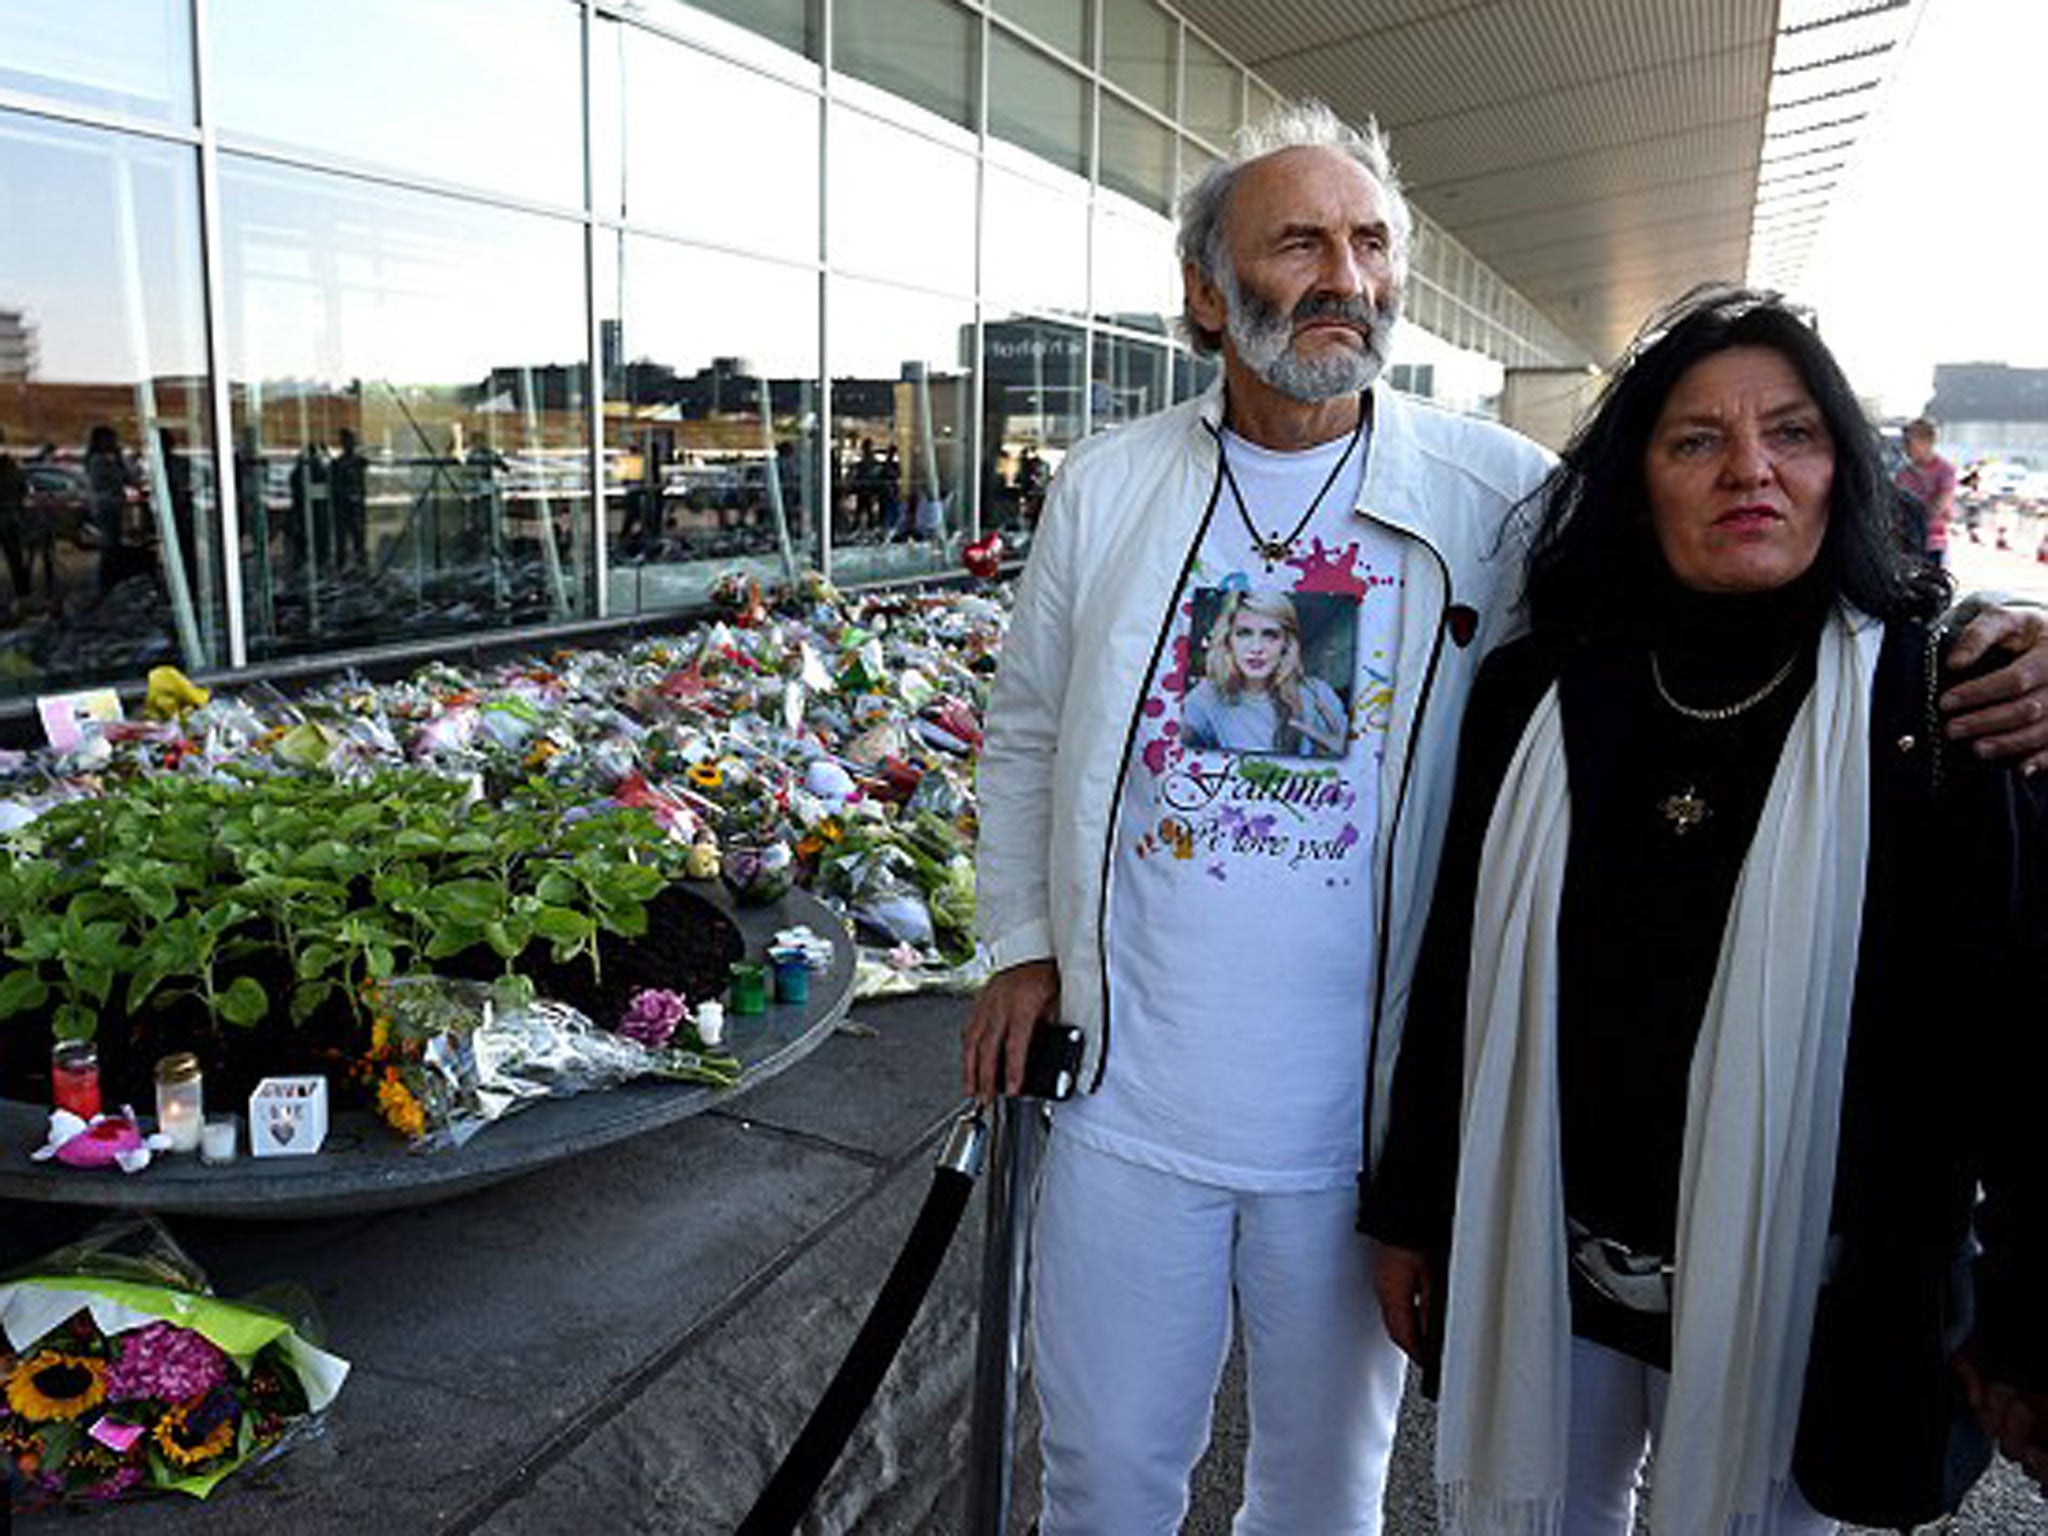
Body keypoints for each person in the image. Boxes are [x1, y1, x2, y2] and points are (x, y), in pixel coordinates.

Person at [965, 98, 2048, 1536]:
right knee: (1101, 1474)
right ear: (1206, 290)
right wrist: (1026, 945)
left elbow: (1733, 599)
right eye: (1300, 241)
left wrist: (2005, 629)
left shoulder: (1495, 490)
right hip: (1129, 1101)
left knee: (1324, 1486)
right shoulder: (1107, 489)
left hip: (1351, 1121)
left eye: (1369, 241)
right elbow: (1031, 727)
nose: (1345, 275)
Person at [1364, 286, 2048, 1534]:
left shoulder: (1937, 701)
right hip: (1548, 1268)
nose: (1749, 470)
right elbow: (1456, 964)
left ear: (1841, 464)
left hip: (1807, 1299)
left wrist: (2023, 1320)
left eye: (1789, 433)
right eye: (1696, 440)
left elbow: (2018, 1036)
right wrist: (1409, 1213)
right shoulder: (1538, 688)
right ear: (1638, 480)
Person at [1182, 588, 1348, 756]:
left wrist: (1345, 755)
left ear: (1286, 643)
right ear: (1229, 640)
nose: (1256, 648)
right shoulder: (1206, 696)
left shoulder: (1319, 695)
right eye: (1244, 633)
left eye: (1270, 635)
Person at [1895, 416, 1957, 569]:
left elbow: (1941, 504)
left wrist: (1915, 512)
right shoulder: (1904, 473)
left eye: (1909, 443)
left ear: (1926, 442)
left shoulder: (1945, 471)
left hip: (1931, 543)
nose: (1905, 448)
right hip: (1906, 543)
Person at [84, 423, 139, 591]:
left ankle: (110, 578)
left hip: (112, 505)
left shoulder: (108, 460)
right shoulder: (98, 461)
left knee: (113, 543)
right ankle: (107, 581)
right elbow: (122, 478)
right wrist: (121, 461)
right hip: (106, 505)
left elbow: (130, 479)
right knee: (110, 545)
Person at [329, 427, 369, 573]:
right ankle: (341, 568)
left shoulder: (359, 462)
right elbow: (335, 488)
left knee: (358, 539)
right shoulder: (338, 464)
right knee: (342, 540)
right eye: (348, 440)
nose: (351, 444)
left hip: (355, 508)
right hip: (343, 508)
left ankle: (361, 566)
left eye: (352, 440)